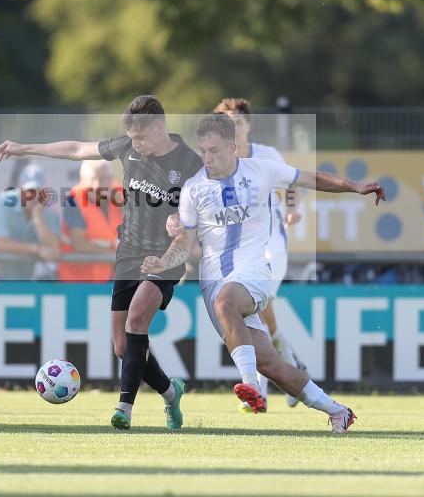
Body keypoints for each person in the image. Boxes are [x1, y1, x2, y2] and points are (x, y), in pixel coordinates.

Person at [142, 114, 385, 433]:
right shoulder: (194, 189)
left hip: (254, 272)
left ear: (232, 147)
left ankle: (249, 387)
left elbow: (313, 178)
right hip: (213, 282)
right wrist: (163, 261)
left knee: (227, 303)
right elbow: (184, 242)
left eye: (214, 150)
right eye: (203, 150)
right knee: (270, 363)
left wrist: (356, 186)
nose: (207, 158)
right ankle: (337, 410)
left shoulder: (261, 170)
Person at [0, 95, 203, 430]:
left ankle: (124, 408)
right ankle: (169, 392)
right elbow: (77, 149)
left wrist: (186, 230)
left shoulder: (190, 162)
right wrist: (24, 147)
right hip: (129, 254)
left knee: (137, 319)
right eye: (132, 138)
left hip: (165, 258)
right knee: (123, 347)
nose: (135, 144)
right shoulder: (128, 146)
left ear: (159, 127)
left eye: (141, 137)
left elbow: (207, 206)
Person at [213, 98, 304, 411]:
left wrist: (292, 209)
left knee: (255, 312)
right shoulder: (216, 162)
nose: (233, 128)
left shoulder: (266, 155)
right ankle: (290, 369)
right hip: (239, 253)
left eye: (238, 122)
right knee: (260, 315)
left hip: (272, 246)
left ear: (248, 125)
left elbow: (293, 182)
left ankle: (258, 392)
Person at [0, 163, 61, 281]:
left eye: (38, 191)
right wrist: (37, 249)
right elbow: (1, 244)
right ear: (20, 189)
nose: (33, 196)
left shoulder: (50, 213)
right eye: (29, 191)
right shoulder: (2, 203)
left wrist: (37, 217)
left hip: (25, 278)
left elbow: (52, 247)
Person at [58, 160, 121, 282]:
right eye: (92, 179)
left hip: (107, 278)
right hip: (78, 281)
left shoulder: (117, 196)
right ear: (82, 179)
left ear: (110, 180)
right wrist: (116, 255)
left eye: (102, 179)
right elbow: (79, 245)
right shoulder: (73, 201)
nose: (97, 185)